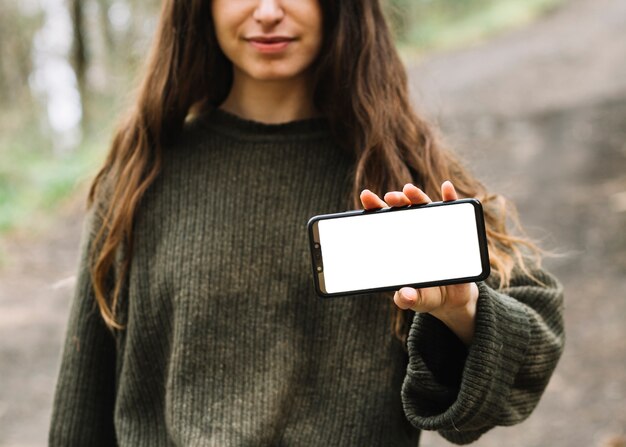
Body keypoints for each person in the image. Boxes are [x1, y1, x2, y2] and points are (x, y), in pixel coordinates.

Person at [49, 0, 565, 445]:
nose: (269, 12)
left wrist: (462, 309)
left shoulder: (401, 171)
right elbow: (81, 407)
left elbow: (534, 345)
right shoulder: (142, 177)